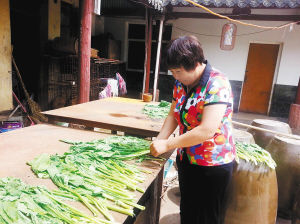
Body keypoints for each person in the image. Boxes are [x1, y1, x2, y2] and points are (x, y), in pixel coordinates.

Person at [150, 35, 235, 224]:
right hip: (187, 159)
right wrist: (159, 140)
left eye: (178, 71)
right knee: (188, 211)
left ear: (196, 64)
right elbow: (173, 115)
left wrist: (167, 144)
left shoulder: (217, 83)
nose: (175, 76)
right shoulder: (180, 84)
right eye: (173, 72)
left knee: (206, 217)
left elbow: (206, 130)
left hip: (212, 164)